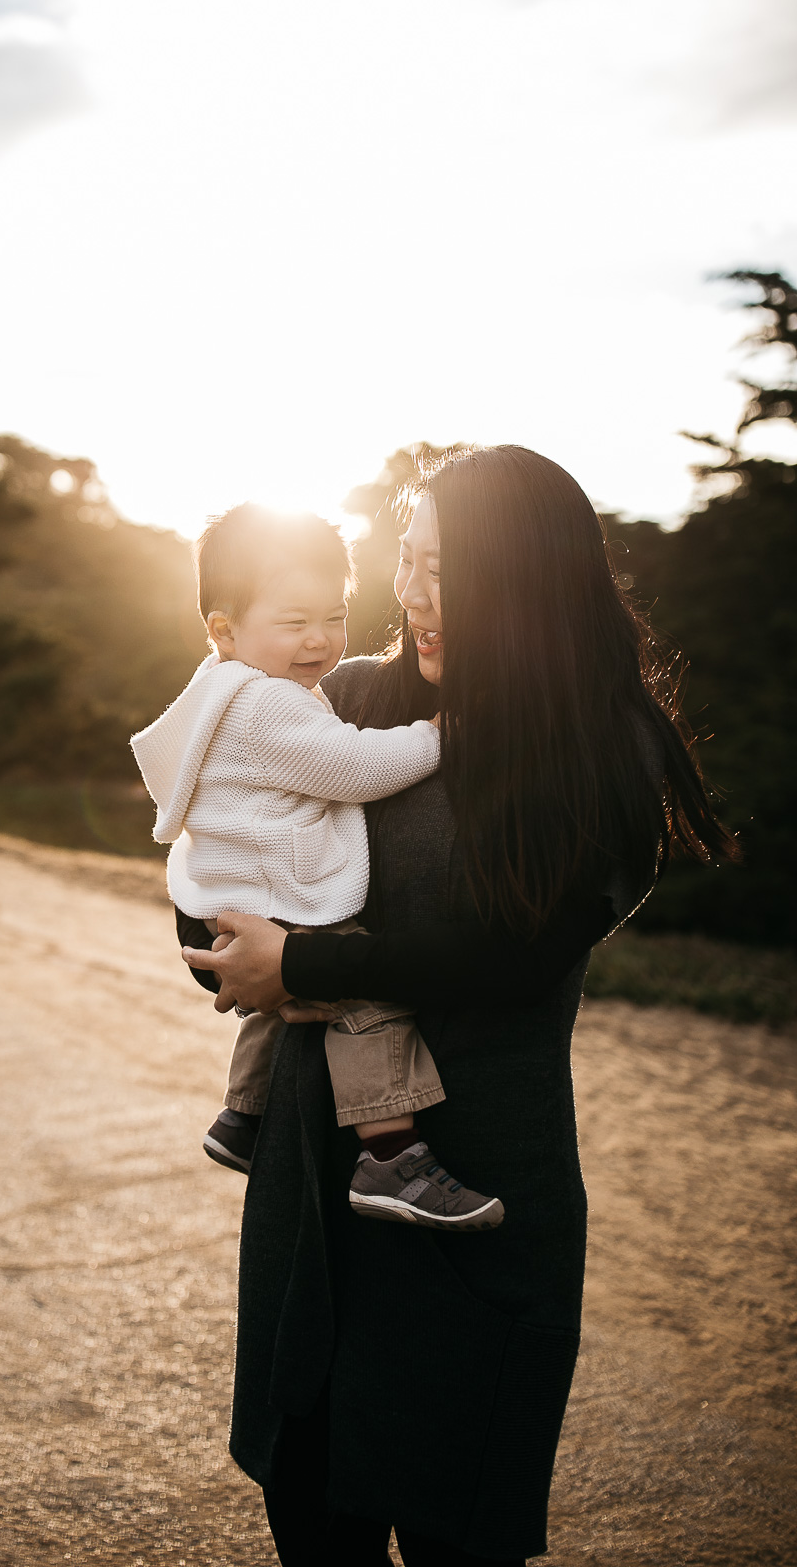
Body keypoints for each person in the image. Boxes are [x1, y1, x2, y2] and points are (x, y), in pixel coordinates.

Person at [179, 446, 737, 1567]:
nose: (411, 594)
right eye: (406, 560)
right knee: (312, 1518)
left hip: (476, 1188)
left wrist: (306, 966)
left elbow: (512, 954)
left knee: (458, 1532)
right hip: (316, 1189)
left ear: (524, 578)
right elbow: (223, 866)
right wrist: (225, 944)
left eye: (443, 568)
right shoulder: (348, 700)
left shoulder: (605, 750)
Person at [130, 503, 501, 1228]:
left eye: (335, 616)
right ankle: (390, 1154)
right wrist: (436, 738)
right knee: (363, 997)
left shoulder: (224, 686)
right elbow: (351, 766)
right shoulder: (265, 703)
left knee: (286, 1000)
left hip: (241, 889)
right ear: (224, 630)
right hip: (274, 887)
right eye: (294, 621)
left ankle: (243, 1116)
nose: (319, 639)